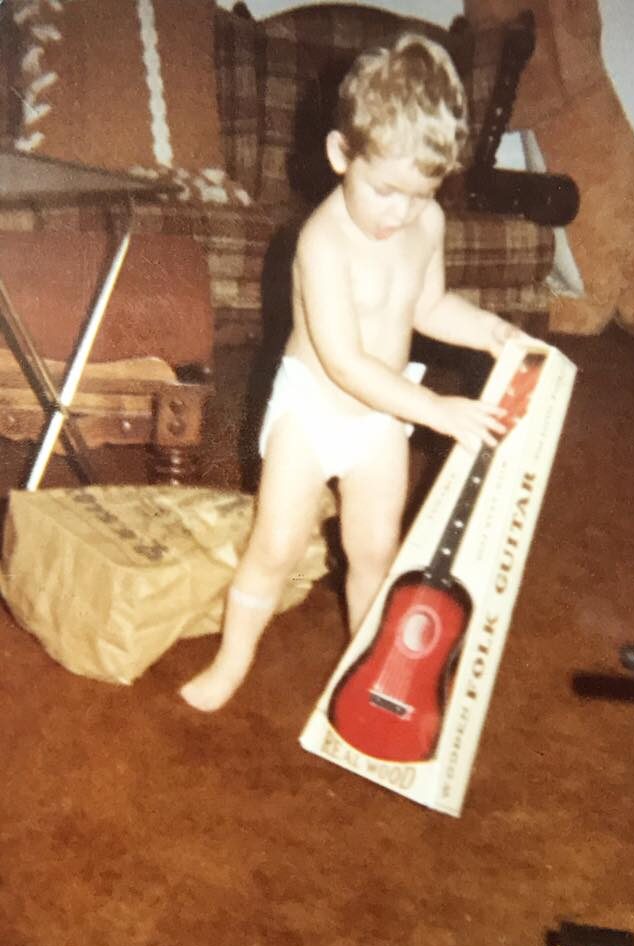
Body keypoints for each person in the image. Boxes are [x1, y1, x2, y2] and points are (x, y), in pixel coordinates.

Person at [180, 31, 538, 712]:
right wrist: (434, 409)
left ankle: (365, 666)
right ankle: (232, 661)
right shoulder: (319, 241)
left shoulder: (424, 222)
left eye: (420, 193)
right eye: (385, 190)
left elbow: (427, 303)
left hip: (381, 413)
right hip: (314, 408)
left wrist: (492, 331)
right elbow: (342, 361)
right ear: (341, 153)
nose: (399, 213)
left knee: (377, 552)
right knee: (276, 545)